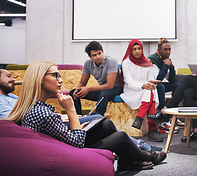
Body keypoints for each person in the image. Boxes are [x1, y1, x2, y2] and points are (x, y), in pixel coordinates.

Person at [7, 61, 166, 171]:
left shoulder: (33, 106)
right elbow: (76, 143)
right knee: (121, 137)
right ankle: (146, 156)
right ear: (39, 80)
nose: (60, 80)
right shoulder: (43, 113)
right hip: (67, 153)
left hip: (59, 145)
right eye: (55, 76)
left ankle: (129, 159)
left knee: (106, 125)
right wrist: (70, 110)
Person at [119, 39, 162, 142]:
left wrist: (151, 82)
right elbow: (129, 82)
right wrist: (143, 85)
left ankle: (139, 118)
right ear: (130, 50)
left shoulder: (148, 62)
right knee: (149, 92)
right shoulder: (126, 63)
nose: (137, 51)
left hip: (145, 90)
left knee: (150, 90)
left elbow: (150, 78)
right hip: (131, 91)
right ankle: (152, 129)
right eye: (134, 49)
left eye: (139, 49)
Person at [69, 41, 123, 116]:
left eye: (99, 53)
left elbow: (110, 85)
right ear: (89, 56)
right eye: (94, 55)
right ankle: (78, 118)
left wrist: (88, 89)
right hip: (102, 90)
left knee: (103, 94)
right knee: (73, 93)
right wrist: (77, 90)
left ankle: (97, 119)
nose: (98, 57)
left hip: (115, 88)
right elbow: (82, 83)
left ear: (102, 51)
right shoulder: (88, 64)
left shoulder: (111, 61)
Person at [148, 38, 179, 112]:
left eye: (169, 49)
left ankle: (173, 111)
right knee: (160, 86)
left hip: (157, 84)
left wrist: (171, 67)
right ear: (159, 49)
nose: (168, 52)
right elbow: (158, 79)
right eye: (165, 49)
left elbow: (172, 80)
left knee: (177, 86)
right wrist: (166, 65)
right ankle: (162, 112)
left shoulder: (164, 59)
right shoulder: (153, 59)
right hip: (149, 85)